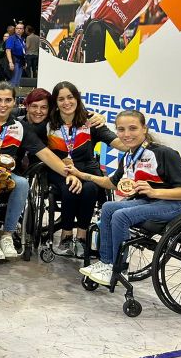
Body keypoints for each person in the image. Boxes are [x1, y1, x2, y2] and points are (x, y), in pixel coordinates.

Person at [0, 82, 84, 260]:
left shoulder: (20, 128)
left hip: (2, 172)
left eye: (7, 100)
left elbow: (47, 155)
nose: (2, 105)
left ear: (14, 102)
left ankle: (7, 235)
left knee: (21, 182)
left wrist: (71, 174)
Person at [71, 110, 181, 285]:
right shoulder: (130, 155)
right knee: (108, 207)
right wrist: (81, 175)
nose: (126, 134)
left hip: (177, 204)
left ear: (144, 128)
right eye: (121, 130)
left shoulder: (163, 153)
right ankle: (107, 264)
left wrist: (154, 192)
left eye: (132, 128)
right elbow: (113, 183)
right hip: (150, 201)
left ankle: (119, 268)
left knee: (121, 216)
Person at [33, 81, 127, 257]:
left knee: (90, 188)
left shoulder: (91, 120)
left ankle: (82, 237)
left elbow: (116, 142)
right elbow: (25, 121)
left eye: (70, 97)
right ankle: (66, 235)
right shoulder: (48, 123)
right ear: (56, 102)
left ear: (77, 98)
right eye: (61, 99)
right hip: (61, 169)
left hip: (88, 169)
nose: (66, 102)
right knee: (71, 188)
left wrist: (139, 143)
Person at [6, 23, 27, 88]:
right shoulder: (12, 38)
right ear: (15, 29)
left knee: (17, 81)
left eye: (20, 28)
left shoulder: (22, 39)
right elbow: (8, 50)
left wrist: (24, 62)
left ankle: (13, 95)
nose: (19, 30)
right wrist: (10, 62)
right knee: (13, 81)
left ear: (23, 30)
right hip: (15, 60)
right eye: (17, 28)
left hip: (21, 61)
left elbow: (23, 51)